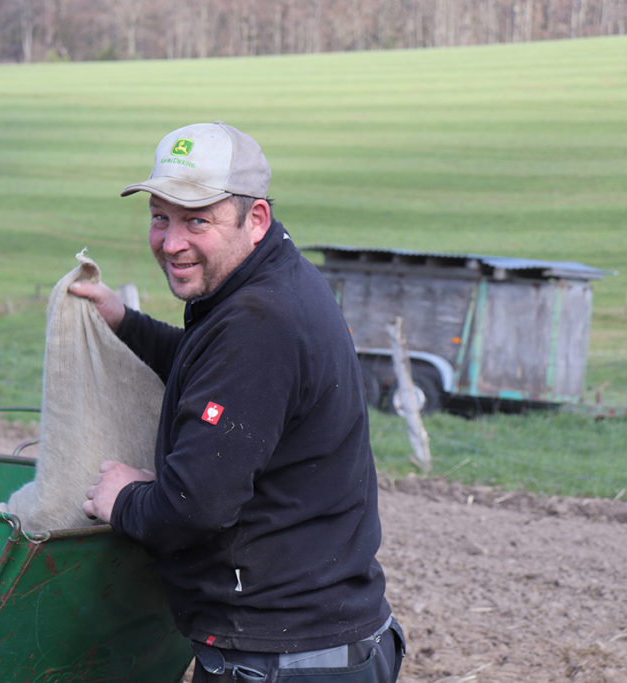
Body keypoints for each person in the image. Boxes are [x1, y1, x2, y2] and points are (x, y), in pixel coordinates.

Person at [72, 122, 405, 682]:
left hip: (282, 661)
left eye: (197, 220)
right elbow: (215, 375)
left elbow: (193, 507)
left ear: (255, 219)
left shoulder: (259, 323)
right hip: (321, 644)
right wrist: (123, 321)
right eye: (160, 217)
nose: (171, 242)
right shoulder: (273, 282)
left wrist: (124, 498)